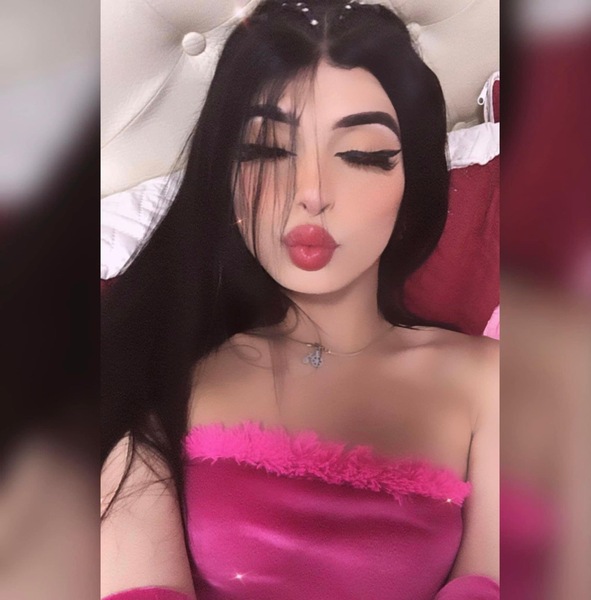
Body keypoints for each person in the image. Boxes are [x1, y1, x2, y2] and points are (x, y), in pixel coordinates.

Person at [101, 1, 499, 598]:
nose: (311, 193)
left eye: (362, 155)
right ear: (225, 174)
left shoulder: (488, 380)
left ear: (413, 179)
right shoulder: (152, 363)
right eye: (266, 150)